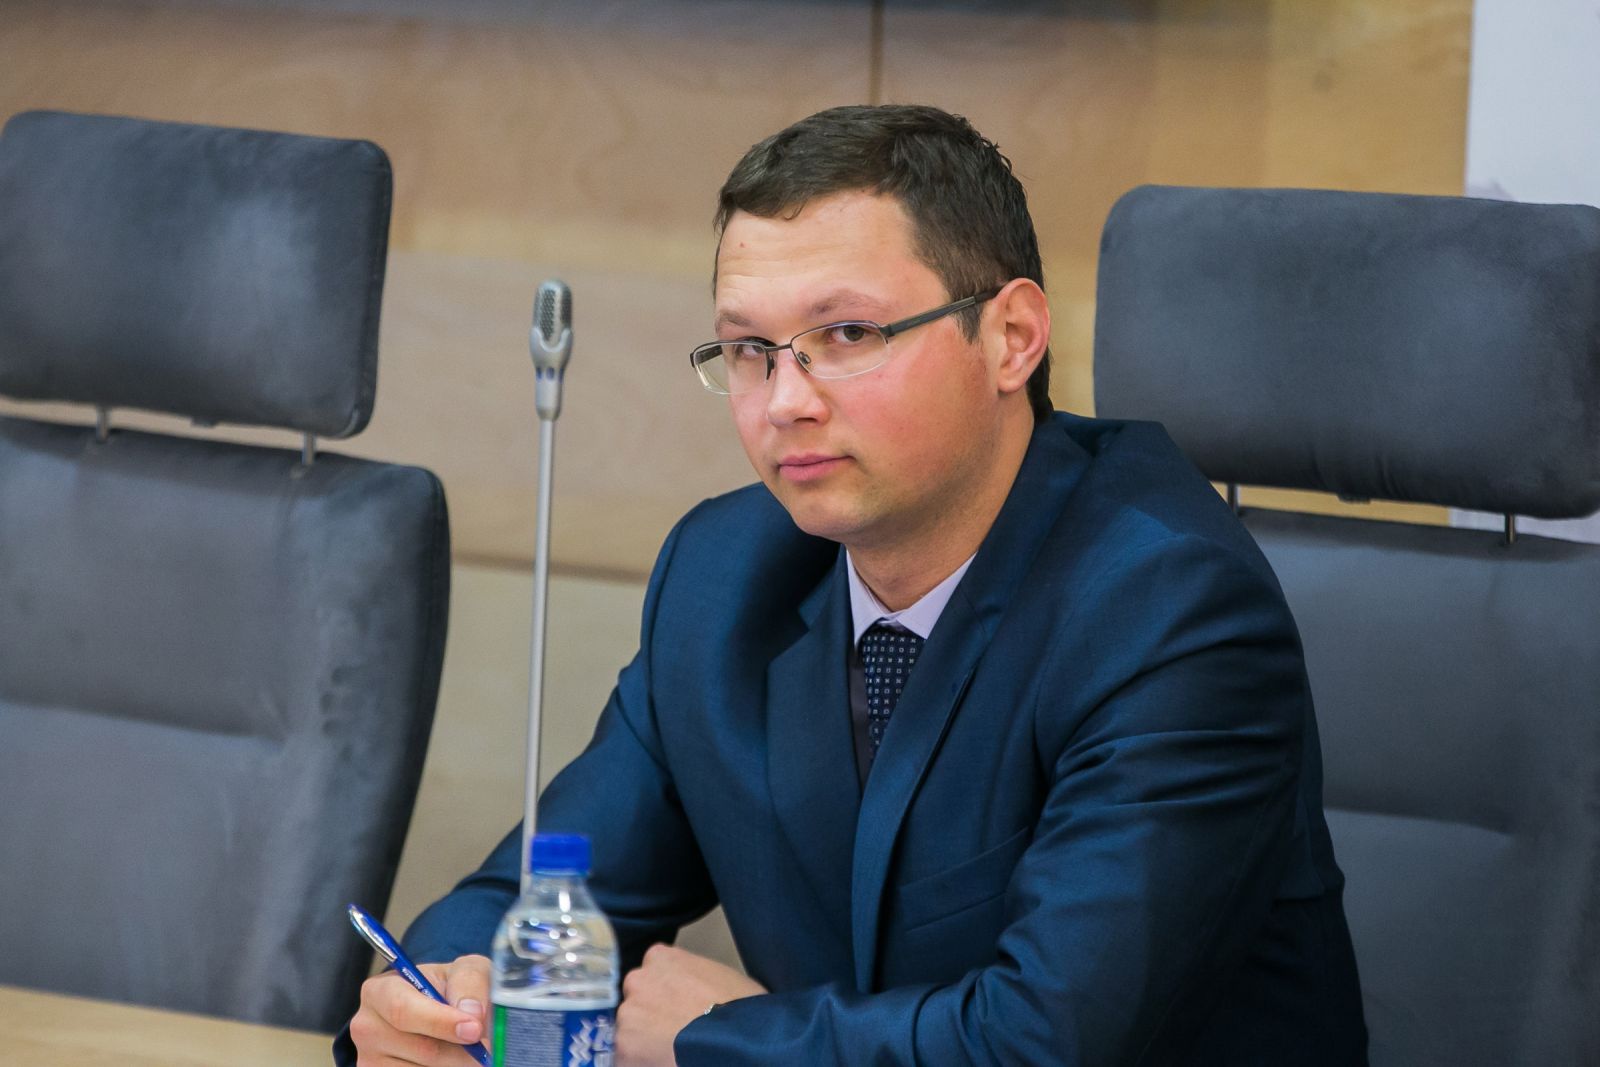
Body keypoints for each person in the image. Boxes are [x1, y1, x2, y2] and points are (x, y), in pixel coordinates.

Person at [341, 104, 1367, 1066]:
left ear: (1011, 338)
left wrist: (716, 1037)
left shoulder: (1170, 609)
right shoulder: (723, 576)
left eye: (846, 336)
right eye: (750, 349)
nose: (784, 401)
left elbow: (1040, 1040)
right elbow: (547, 892)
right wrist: (441, 993)